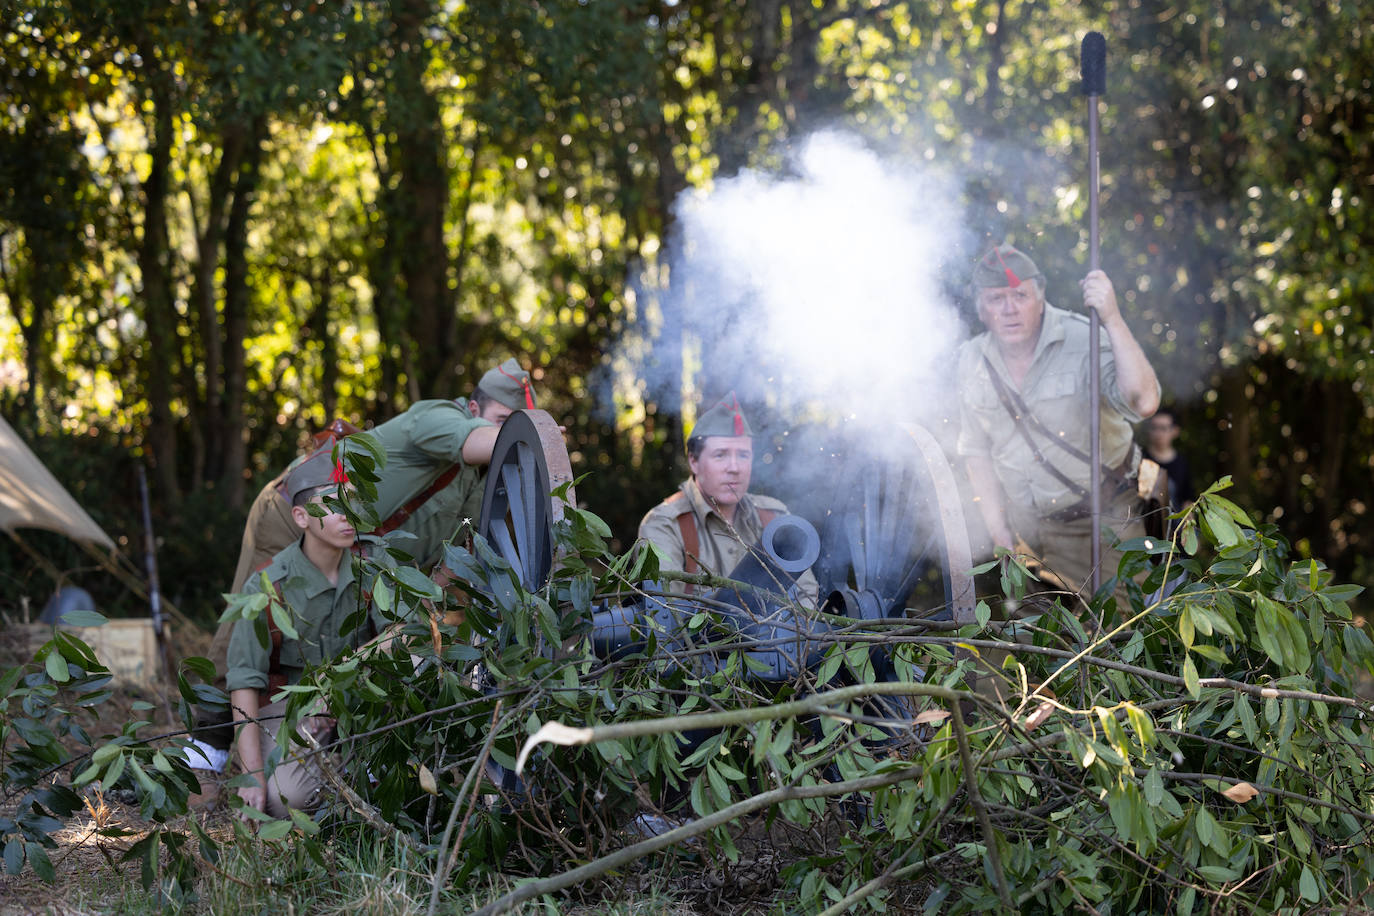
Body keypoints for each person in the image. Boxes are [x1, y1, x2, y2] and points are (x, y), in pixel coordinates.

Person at [192, 358, 541, 778]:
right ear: (472, 409)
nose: (508, 432)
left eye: (517, 423)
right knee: (250, 621)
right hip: (299, 513)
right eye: (503, 420)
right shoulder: (438, 417)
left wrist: (430, 610)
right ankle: (204, 753)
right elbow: (479, 442)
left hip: (359, 551)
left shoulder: (484, 477)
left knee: (354, 638)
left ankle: (308, 744)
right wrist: (532, 436)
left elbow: (460, 549)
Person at [956, 243, 1161, 597]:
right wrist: (998, 530)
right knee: (1037, 632)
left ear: (1040, 297)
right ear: (981, 308)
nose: (1009, 309)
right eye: (996, 299)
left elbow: (1144, 402)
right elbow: (976, 451)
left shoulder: (1083, 338)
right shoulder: (971, 360)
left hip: (1106, 521)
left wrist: (1111, 317)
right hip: (1030, 535)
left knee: (1120, 629)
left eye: (1020, 295)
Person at [225, 450, 403, 818]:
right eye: (332, 504)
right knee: (285, 800)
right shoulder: (268, 585)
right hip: (290, 709)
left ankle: (364, 777)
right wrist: (252, 774)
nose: (347, 514)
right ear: (301, 517)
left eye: (352, 502)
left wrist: (337, 683)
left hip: (363, 701)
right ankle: (343, 786)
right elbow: (244, 682)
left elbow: (406, 633)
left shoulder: (373, 568)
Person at [638, 393, 818, 605]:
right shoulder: (664, 524)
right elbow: (666, 612)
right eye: (720, 455)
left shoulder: (774, 517)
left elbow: (806, 599)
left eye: (743, 455)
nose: (734, 468)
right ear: (694, 461)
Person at [1142, 406, 1196, 515]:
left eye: (1163, 428)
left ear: (1175, 431)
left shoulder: (1181, 462)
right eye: (1154, 428)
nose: (1158, 433)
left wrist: (1188, 514)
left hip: (1175, 521)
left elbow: (1188, 497)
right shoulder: (1140, 458)